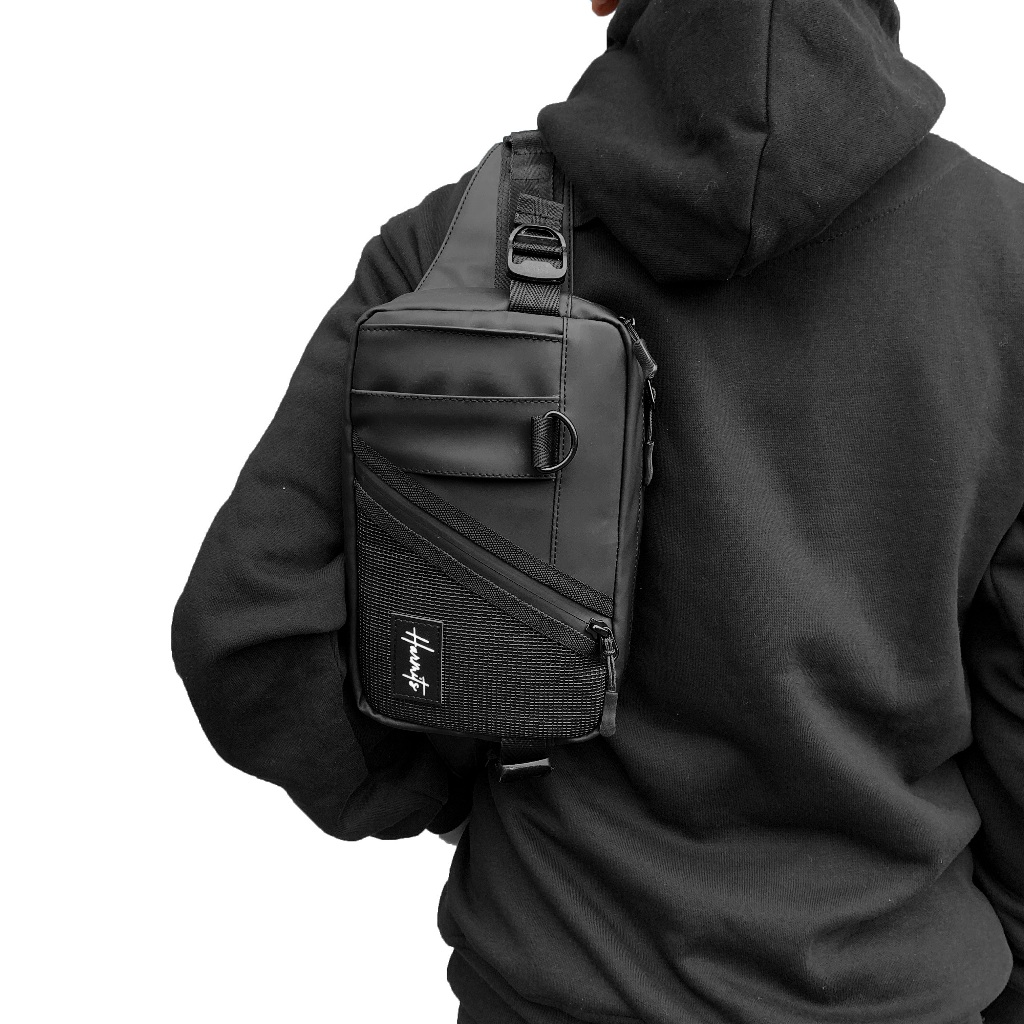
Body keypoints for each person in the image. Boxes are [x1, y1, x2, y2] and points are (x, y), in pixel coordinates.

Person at [171, 0, 1024, 1021]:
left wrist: (462, 790)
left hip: (551, 976)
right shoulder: (1008, 261)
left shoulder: (462, 247)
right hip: (896, 991)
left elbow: (249, 630)